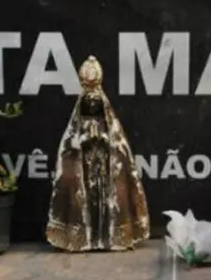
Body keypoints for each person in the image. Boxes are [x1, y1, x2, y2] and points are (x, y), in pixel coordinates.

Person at [46, 56, 150, 251]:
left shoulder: (110, 125)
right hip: (84, 177)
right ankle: (84, 238)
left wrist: (104, 139)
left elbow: (120, 148)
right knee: (87, 207)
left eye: (96, 102)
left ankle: (108, 237)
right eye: (89, 102)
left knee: (106, 206)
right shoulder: (76, 126)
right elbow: (68, 149)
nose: (92, 105)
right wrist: (83, 141)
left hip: (104, 176)